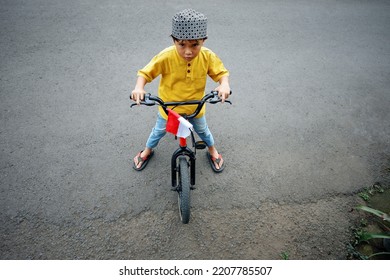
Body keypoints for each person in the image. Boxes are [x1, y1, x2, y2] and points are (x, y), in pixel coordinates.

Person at [131, 8, 230, 173]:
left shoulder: (207, 56)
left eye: (195, 45)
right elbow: (145, 73)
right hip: (169, 109)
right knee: (158, 131)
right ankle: (147, 150)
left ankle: (212, 151)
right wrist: (139, 88)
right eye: (181, 44)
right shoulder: (166, 56)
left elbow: (222, 73)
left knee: (203, 132)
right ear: (174, 41)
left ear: (203, 41)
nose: (188, 51)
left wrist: (224, 84)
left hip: (195, 107)